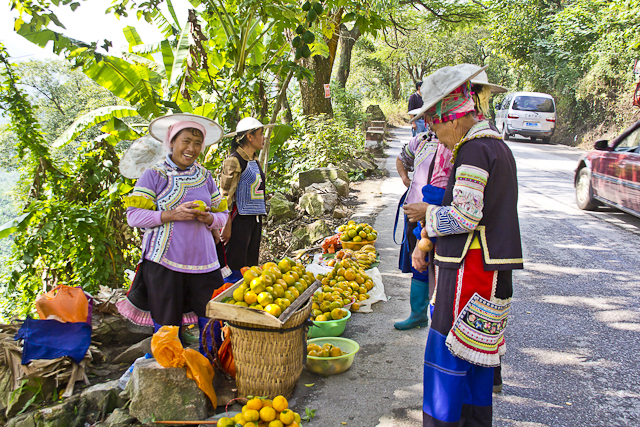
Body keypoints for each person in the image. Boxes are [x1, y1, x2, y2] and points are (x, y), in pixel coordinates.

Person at [406, 64, 523, 426]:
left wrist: (428, 212)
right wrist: (426, 244)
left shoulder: (474, 152)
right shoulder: (495, 148)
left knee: (449, 364)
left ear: (453, 117)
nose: (436, 135)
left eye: (435, 124)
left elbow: (464, 217)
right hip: (489, 276)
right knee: (476, 365)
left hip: (468, 279)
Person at [116, 113, 228, 355]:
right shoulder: (154, 175)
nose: (192, 148)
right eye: (186, 141)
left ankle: (212, 365)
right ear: (171, 142)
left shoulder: (205, 176)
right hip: (165, 262)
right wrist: (171, 214)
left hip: (204, 262)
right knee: (167, 324)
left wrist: (209, 218)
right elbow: (134, 216)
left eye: (197, 143)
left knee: (211, 316)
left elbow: (223, 214)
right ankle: (168, 371)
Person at [394, 128, 452, 330]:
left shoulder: (453, 143)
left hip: (438, 212)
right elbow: (401, 159)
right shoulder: (422, 140)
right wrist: (405, 179)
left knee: (438, 266)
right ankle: (418, 314)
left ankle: (441, 323)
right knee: (418, 263)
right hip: (414, 212)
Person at [219, 117, 275, 283]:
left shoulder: (254, 160)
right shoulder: (234, 161)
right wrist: (226, 222)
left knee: (250, 264)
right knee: (235, 263)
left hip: (254, 219)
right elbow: (225, 194)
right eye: (260, 134)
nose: (264, 138)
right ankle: (228, 297)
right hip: (239, 220)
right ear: (249, 137)